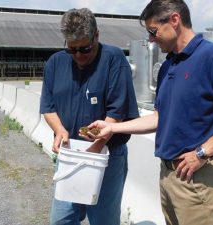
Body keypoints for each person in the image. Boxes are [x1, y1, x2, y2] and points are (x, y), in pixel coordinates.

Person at [85, 1, 213, 225]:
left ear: (175, 20)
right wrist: (112, 127)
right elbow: (160, 118)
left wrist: (202, 152)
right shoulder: (168, 65)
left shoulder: (212, 56)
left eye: (153, 31)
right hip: (169, 174)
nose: (150, 39)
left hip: (196, 177)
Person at [40, 8, 139, 225]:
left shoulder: (114, 59)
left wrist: (94, 149)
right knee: (61, 219)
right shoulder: (55, 63)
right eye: (72, 50)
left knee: (103, 219)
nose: (78, 56)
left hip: (106, 156)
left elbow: (117, 113)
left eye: (84, 49)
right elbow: (48, 107)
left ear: (97, 36)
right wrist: (59, 130)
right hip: (71, 154)